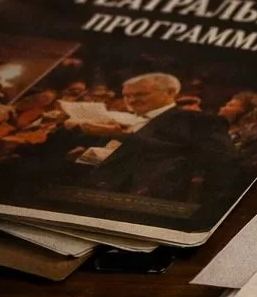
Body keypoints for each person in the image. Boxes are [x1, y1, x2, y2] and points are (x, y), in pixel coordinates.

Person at [70, 73, 239, 204]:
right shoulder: (124, 119)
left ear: (170, 92)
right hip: (94, 192)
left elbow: (218, 160)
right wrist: (88, 155)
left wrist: (123, 136)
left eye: (141, 94)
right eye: (127, 95)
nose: (132, 100)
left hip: (144, 200)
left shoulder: (197, 120)